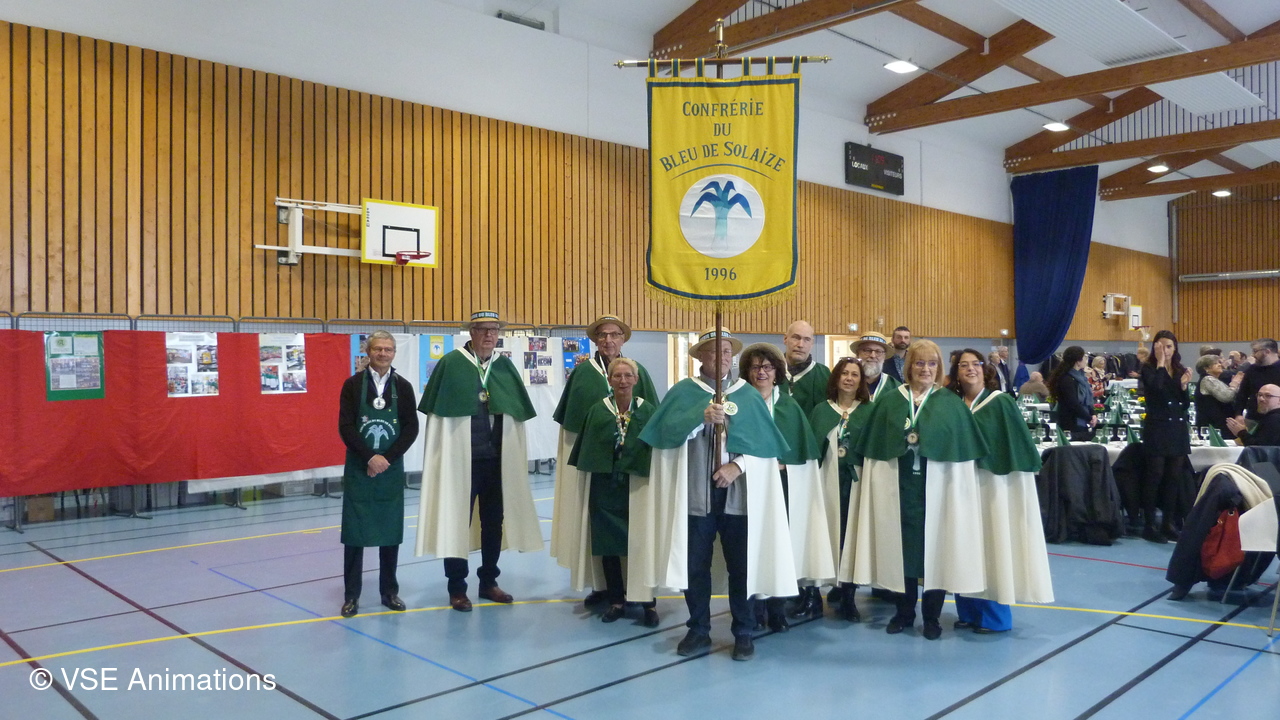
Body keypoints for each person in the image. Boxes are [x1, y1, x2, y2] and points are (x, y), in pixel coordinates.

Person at [638, 328, 794, 662]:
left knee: (742, 566)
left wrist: (737, 465)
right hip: (696, 493)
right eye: (714, 351)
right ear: (700, 356)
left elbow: (765, 446)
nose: (722, 357)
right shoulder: (684, 392)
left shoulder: (747, 395)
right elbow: (664, 435)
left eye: (726, 352)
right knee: (695, 565)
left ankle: (744, 631)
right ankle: (698, 629)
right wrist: (699, 417)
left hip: (739, 495)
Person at [840, 339, 988, 641]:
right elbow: (875, 447)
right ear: (909, 366)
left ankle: (932, 617)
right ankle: (904, 613)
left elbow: (960, 453)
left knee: (937, 551)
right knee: (902, 552)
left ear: (939, 368)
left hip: (938, 492)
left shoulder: (949, 403)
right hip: (898, 489)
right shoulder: (890, 401)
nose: (925, 369)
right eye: (919, 363)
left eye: (932, 363)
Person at [415, 310, 543, 611]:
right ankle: (457, 587)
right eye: (482, 329)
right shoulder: (451, 364)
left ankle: (488, 581)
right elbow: (438, 419)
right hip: (461, 462)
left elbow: (515, 416)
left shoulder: (504, 366)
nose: (488, 335)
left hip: (496, 461)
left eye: (494, 330)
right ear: (470, 332)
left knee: (493, 523)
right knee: (456, 521)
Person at [550, 315, 658, 607]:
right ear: (595, 340)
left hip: (633, 469)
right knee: (597, 526)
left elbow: (652, 419)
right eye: (602, 335)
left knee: (636, 528)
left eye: (614, 334)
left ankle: (638, 589)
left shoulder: (636, 371)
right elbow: (571, 427)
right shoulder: (583, 373)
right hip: (596, 469)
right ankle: (602, 585)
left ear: (623, 339)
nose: (609, 340)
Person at [948, 350, 1053, 634]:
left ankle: (995, 618)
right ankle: (968, 610)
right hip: (960, 487)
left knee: (992, 547)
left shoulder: (1000, 402)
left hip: (992, 487)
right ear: (956, 373)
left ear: (985, 370)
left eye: (975, 364)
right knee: (964, 546)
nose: (970, 369)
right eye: (963, 365)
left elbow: (1016, 445)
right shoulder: (953, 405)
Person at [567, 357, 659, 626]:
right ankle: (616, 599)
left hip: (638, 485)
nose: (623, 381)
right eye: (617, 376)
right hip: (605, 487)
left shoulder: (648, 411)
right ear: (609, 380)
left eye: (628, 375)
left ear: (636, 379)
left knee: (641, 543)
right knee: (608, 545)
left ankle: (648, 602)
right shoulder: (597, 411)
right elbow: (587, 450)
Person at [336, 331, 420, 618]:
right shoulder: (352, 385)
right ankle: (351, 596)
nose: (383, 354)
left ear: (394, 353)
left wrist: (387, 458)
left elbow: (411, 428)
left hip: (390, 469)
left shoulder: (403, 387)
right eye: (378, 349)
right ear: (368, 352)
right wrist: (370, 457)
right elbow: (346, 426)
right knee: (354, 533)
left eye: (388, 349)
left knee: (390, 532)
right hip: (360, 467)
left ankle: (389, 592)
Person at [741, 343, 822, 627]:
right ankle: (754, 610)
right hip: (747, 486)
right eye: (755, 367)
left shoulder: (789, 406)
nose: (761, 372)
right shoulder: (739, 403)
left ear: (777, 372)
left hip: (782, 485)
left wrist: (783, 464)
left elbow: (801, 450)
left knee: (778, 546)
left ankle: (776, 610)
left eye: (767, 367)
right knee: (750, 547)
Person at [807, 357, 873, 622]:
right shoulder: (821, 411)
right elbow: (811, 448)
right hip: (826, 482)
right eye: (844, 373)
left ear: (861, 381)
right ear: (836, 378)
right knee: (822, 533)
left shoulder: (868, 411)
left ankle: (848, 596)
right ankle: (813, 596)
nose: (849, 378)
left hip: (856, 484)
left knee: (851, 536)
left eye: (854, 374)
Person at [1138, 330, 1193, 544]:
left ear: (1175, 348)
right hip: (1157, 428)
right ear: (1154, 348)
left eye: (1169, 346)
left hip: (1177, 428)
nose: (1165, 350)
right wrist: (1161, 364)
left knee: (1173, 477)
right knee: (1155, 476)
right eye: (1160, 346)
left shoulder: (1179, 370)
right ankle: (1150, 524)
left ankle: (1168, 522)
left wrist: (1184, 387)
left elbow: (1184, 404)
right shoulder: (1149, 369)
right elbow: (1156, 389)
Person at [1047, 346, 1096, 441]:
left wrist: (1093, 414)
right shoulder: (1066, 379)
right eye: (1084, 358)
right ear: (1078, 361)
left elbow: (1088, 400)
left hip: (1082, 419)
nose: (1086, 361)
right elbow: (1072, 403)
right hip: (1070, 421)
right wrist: (1089, 417)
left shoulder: (1082, 377)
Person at [782, 320, 830, 417]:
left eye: (807, 339)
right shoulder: (769, 372)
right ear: (785, 339)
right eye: (796, 337)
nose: (800, 345)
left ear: (812, 343)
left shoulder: (824, 375)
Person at [1195, 355, 1241, 439]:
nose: (1220, 365)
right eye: (1215, 364)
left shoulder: (1213, 380)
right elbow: (1227, 397)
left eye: (1219, 363)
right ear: (1206, 369)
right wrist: (1234, 384)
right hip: (1213, 425)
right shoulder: (1208, 380)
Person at [1235, 339, 1280, 421]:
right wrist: (1238, 414)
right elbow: (1242, 394)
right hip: (1253, 417)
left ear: (1267, 352)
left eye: (1255, 351)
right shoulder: (1252, 369)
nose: (1253, 355)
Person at [854, 331, 900, 403]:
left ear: (884, 357)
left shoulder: (895, 387)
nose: (873, 356)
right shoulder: (846, 383)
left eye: (878, 352)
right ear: (858, 354)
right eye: (867, 350)